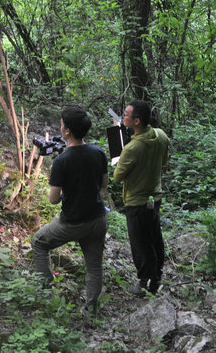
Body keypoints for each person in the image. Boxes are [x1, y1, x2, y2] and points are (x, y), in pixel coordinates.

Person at [31, 106, 109, 316]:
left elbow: (53, 199)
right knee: (94, 266)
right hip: (98, 218)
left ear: (67, 131)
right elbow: (103, 185)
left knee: (38, 242)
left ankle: (46, 290)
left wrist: (65, 185)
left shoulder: (61, 161)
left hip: (73, 222)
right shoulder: (98, 153)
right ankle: (90, 308)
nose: (60, 125)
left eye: (62, 123)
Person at [113, 100, 170, 296]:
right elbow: (163, 160)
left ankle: (146, 283)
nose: (122, 118)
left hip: (136, 202)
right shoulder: (161, 136)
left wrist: (116, 142)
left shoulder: (132, 148)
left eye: (125, 116)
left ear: (136, 121)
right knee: (154, 237)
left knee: (140, 243)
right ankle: (158, 275)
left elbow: (117, 176)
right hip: (155, 198)